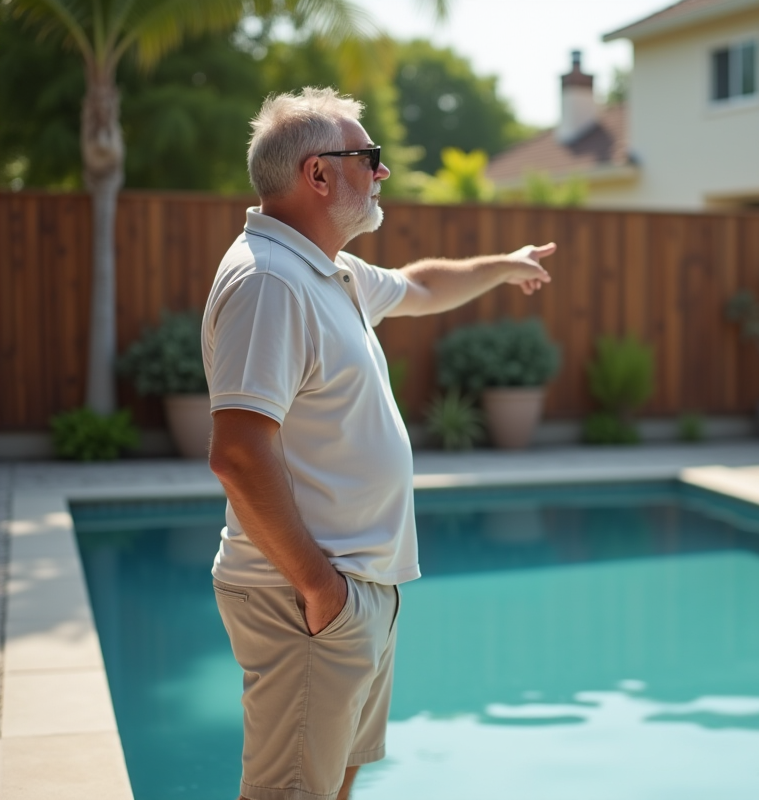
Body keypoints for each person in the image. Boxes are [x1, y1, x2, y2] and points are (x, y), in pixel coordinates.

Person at [203, 86, 554, 800]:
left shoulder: (327, 272)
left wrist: (504, 264)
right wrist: (319, 588)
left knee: (332, 786)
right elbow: (238, 453)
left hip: (357, 591)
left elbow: (421, 286)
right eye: (369, 156)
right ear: (318, 175)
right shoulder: (270, 280)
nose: (381, 171)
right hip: (308, 597)